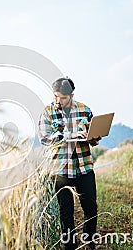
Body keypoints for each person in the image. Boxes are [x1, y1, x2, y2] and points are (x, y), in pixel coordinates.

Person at [38, 77, 100, 250]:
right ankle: (70, 248)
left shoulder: (85, 110)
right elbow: (44, 138)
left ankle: (90, 244)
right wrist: (69, 137)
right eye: (55, 96)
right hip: (61, 171)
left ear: (71, 95)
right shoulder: (47, 112)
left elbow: (93, 140)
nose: (58, 100)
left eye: (63, 97)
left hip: (84, 168)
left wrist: (94, 139)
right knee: (66, 214)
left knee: (91, 210)